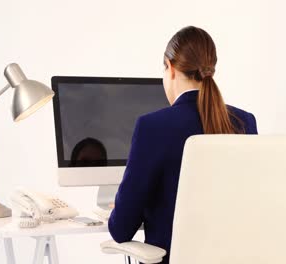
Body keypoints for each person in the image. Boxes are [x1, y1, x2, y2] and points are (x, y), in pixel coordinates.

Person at [108, 26, 258, 263]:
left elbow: (121, 229)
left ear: (170, 67)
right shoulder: (245, 122)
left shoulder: (152, 126)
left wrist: (124, 206)